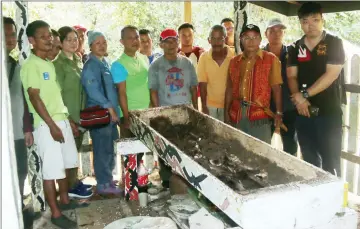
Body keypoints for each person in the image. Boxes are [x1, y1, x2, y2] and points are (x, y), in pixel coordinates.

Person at [21, 20, 84, 229]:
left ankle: (65, 202)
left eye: (49, 35)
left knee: (64, 166)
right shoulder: (31, 65)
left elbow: (55, 97)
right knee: (51, 171)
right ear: (31, 41)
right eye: (43, 36)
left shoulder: (48, 63)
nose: (49, 39)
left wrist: (67, 121)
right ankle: (55, 213)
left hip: (60, 120)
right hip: (45, 125)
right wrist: (52, 125)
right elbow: (35, 98)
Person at [287, 2, 345, 176]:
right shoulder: (295, 47)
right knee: (309, 161)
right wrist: (300, 102)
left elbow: (331, 75)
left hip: (329, 113)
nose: (310, 25)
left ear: (322, 21)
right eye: (305, 21)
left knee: (331, 162)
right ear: (300, 23)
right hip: (303, 114)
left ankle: (334, 201)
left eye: (315, 20)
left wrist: (303, 95)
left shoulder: (334, 43)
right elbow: (291, 76)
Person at [224, 24, 283, 144]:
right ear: (241, 39)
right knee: (236, 149)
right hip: (237, 114)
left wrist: (279, 113)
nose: (251, 41)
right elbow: (229, 89)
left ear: (260, 39)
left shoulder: (270, 59)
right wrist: (226, 112)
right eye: (247, 38)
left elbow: (276, 89)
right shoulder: (234, 62)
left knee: (260, 153)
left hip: (259, 116)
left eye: (255, 37)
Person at [53, 26, 93, 199]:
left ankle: (74, 183)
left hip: (82, 115)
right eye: (68, 39)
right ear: (60, 43)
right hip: (67, 117)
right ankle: (69, 188)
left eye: (75, 39)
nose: (73, 42)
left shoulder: (78, 59)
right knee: (67, 154)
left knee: (74, 151)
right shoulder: (57, 64)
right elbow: (57, 94)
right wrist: (69, 119)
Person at [81, 30, 122, 194]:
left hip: (109, 115)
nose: (102, 45)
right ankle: (103, 184)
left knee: (110, 148)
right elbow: (93, 91)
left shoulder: (104, 62)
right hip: (101, 114)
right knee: (101, 150)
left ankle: (109, 180)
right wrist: (110, 108)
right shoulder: (91, 65)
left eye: (104, 42)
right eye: (98, 43)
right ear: (90, 46)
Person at [4, 16, 34, 211]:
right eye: (4, 34)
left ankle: (17, 209)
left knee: (21, 171)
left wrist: (27, 128)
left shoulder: (17, 65)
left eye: (12, 34)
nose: (9, 38)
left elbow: (25, 101)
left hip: (16, 132)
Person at [264, 18, 298, 156]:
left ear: (284, 34)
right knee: (263, 146)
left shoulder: (292, 54)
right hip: (265, 109)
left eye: (280, 31)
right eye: (272, 30)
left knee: (290, 148)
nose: (276, 34)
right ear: (266, 34)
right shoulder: (260, 55)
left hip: (289, 108)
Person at [110, 25, 150, 138]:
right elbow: (121, 92)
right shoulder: (118, 64)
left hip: (146, 112)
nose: (135, 41)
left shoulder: (144, 58)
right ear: (122, 41)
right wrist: (126, 117)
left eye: (136, 37)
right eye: (130, 38)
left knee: (142, 152)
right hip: (130, 115)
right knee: (131, 153)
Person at [149, 28, 198, 108]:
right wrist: (158, 112)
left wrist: (196, 110)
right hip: (165, 111)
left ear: (178, 42)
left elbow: (193, 88)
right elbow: (153, 92)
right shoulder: (155, 66)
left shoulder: (188, 63)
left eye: (174, 40)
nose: (171, 44)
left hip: (187, 109)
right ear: (161, 45)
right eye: (167, 41)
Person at [197, 25, 235, 121]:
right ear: (209, 40)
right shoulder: (204, 58)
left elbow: (234, 85)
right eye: (213, 38)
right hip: (210, 106)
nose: (216, 42)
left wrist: (230, 109)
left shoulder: (234, 56)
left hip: (230, 105)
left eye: (220, 39)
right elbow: (202, 84)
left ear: (225, 39)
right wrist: (204, 107)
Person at [177, 23, 204, 111]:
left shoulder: (200, 52)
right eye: (184, 35)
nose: (187, 38)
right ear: (179, 37)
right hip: (178, 95)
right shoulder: (174, 53)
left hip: (198, 95)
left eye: (190, 35)